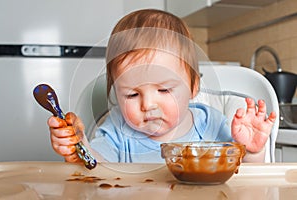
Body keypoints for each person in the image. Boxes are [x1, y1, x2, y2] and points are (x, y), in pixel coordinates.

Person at [48, 9, 276, 164]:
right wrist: (81, 149)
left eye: (164, 90)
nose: (148, 105)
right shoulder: (117, 129)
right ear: (115, 93)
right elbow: (99, 168)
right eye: (132, 94)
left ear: (193, 86)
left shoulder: (213, 125)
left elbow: (245, 179)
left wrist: (252, 153)